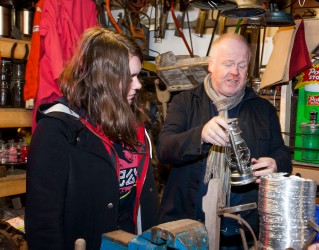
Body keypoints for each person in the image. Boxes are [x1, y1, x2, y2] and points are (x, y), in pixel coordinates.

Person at [25, 27, 159, 249]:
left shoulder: (133, 125)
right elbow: (43, 223)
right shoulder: (56, 131)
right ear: (102, 79)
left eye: (137, 75)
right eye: (130, 77)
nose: (138, 84)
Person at [156, 33, 292, 248]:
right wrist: (200, 135)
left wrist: (276, 164)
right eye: (228, 63)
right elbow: (164, 148)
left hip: (241, 232)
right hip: (185, 228)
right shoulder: (185, 102)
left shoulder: (263, 109)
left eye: (242, 65)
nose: (235, 72)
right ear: (211, 65)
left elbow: (282, 154)